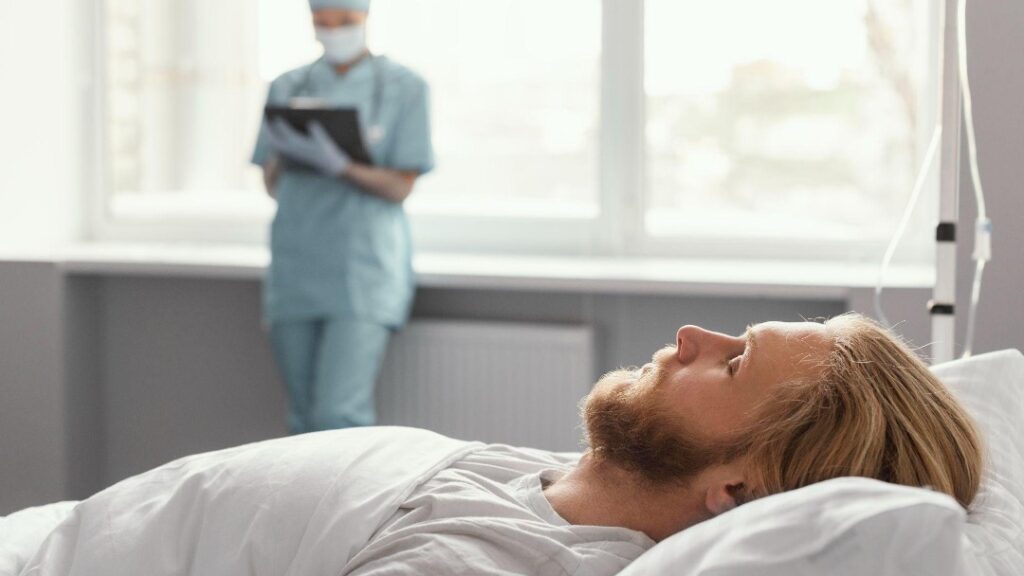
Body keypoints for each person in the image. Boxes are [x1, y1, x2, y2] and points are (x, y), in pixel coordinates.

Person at [16, 314, 982, 576]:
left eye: (732, 365)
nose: (693, 337)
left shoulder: (490, 563)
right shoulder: (544, 489)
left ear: (738, 491)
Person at [250, 0, 434, 434]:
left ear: (366, 17)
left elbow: (400, 186)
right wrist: (286, 152)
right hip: (295, 264)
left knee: (339, 417)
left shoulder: (403, 86)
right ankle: (305, 504)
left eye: (345, 21)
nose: (333, 31)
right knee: (301, 419)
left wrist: (342, 166)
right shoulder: (287, 85)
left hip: (361, 270)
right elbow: (274, 185)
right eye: (322, 22)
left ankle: (350, 505)